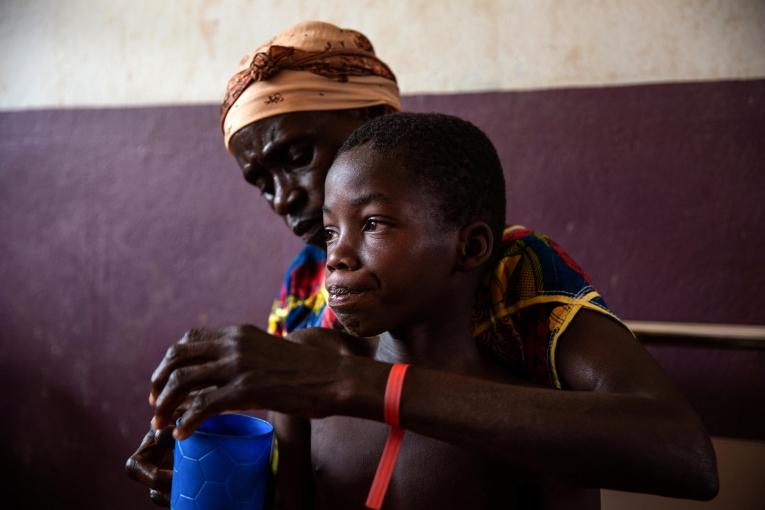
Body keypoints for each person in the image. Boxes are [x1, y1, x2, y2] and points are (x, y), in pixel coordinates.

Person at [126, 21, 718, 507]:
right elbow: (309, 460)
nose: (282, 197)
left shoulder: (513, 269)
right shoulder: (306, 286)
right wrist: (212, 468)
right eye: (261, 183)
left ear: (380, 126)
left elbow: (673, 449)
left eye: (299, 155)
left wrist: (353, 386)